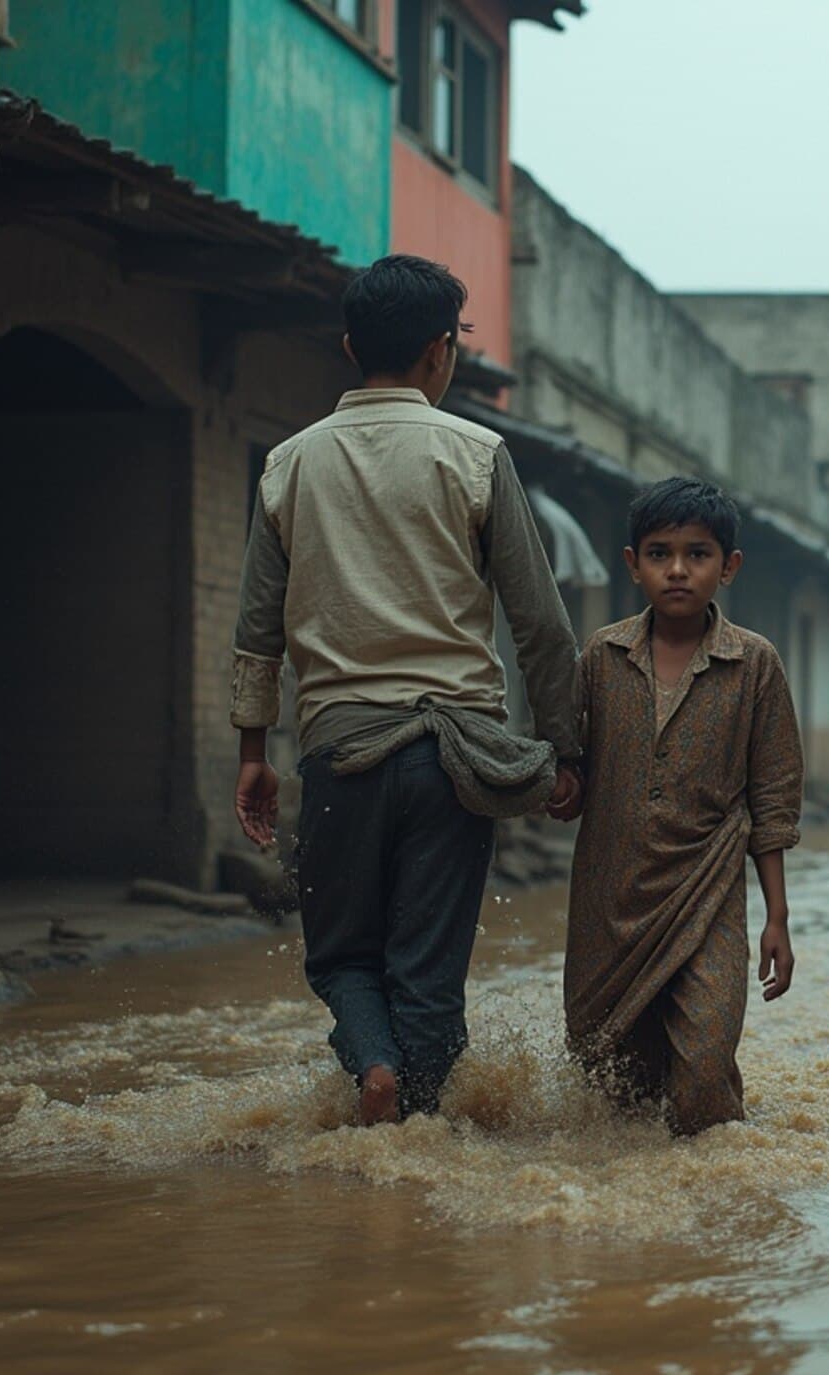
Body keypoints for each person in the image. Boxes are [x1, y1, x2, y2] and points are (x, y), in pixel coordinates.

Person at [230, 254, 582, 1126]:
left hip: (337, 752)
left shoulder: (288, 463)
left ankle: (374, 1069)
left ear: (352, 347)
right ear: (441, 353)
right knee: (429, 971)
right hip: (452, 763)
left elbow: (256, 630)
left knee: (343, 958)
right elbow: (539, 622)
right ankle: (418, 1140)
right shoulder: (478, 454)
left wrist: (252, 752)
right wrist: (566, 749)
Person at [553, 478, 802, 1135]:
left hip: (709, 895)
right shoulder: (600, 658)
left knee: (700, 1077)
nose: (678, 570)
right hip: (611, 901)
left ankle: (717, 1210)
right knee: (618, 1088)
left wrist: (777, 916)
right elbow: (567, 769)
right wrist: (556, 785)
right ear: (633, 564)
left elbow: (773, 796)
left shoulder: (755, 666)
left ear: (729, 567)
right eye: (660, 553)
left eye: (698, 554)